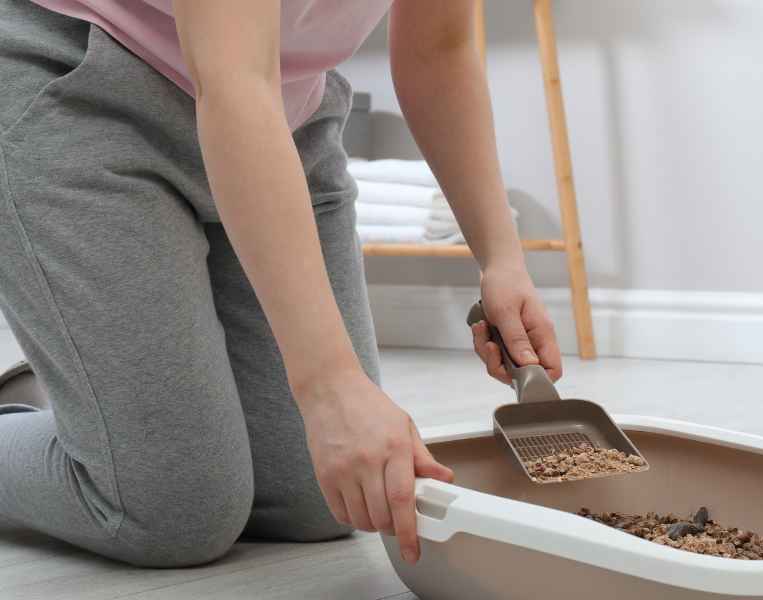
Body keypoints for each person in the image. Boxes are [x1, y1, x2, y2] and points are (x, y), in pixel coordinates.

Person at [0, 0, 562, 569]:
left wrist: (501, 260)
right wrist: (331, 387)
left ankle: (101, 406)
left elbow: (437, 49)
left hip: (284, 112)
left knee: (327, 499)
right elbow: (232, 81)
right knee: (173, 510)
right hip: (78, 88)